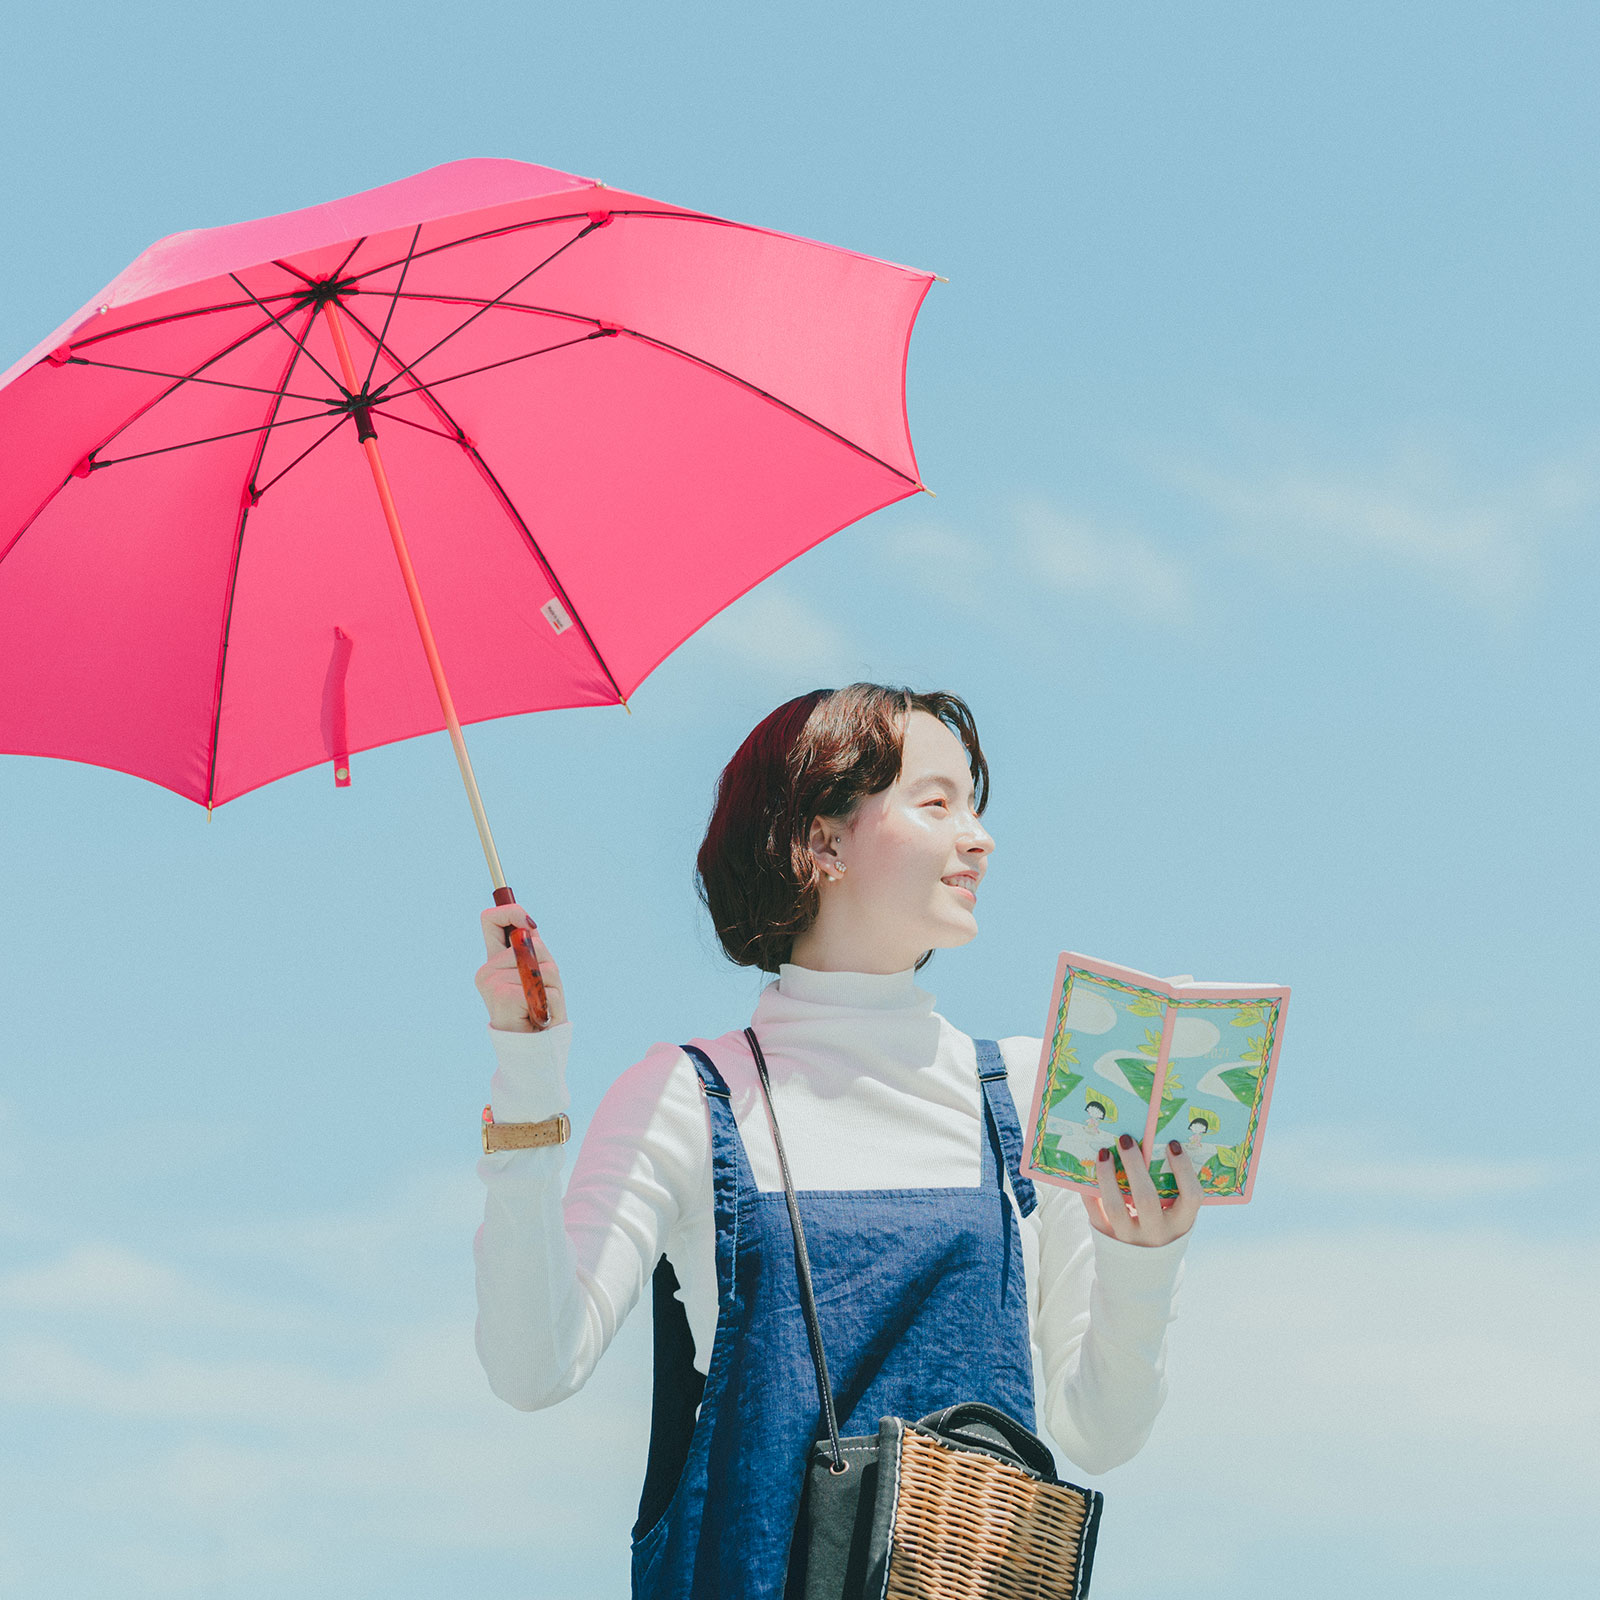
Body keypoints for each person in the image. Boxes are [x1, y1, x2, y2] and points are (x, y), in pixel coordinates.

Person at [472, 684, 1200, 1599]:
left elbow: (1101, 1430)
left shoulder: (1025, 1086)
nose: (978, 837)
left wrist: (1144, 1258)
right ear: (821, 840)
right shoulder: (689, 1096)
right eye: (936, 803)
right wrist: (529, 1071)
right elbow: (532, 1365)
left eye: (974, 804)